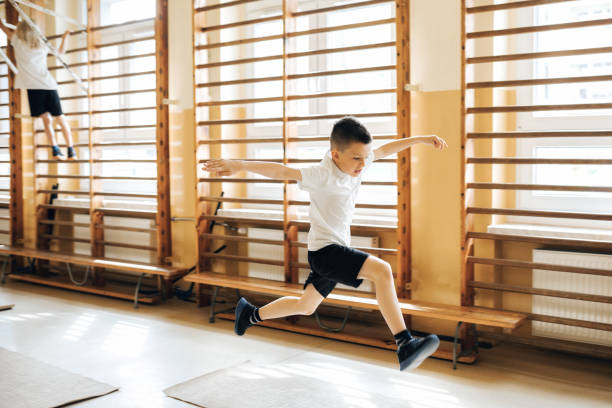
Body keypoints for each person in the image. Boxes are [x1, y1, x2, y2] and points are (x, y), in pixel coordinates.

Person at [202, 116, 448, 371]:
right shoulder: (321, 174)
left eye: (365, 157)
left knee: (305, 306)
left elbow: (386, 149)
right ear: (335, 154)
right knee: (382, 271)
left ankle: (249, 314)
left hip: (327, 251)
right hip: (326, 251)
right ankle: (404, 342)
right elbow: (279, 170)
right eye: (356, 158)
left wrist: (420, 139)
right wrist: (239, 164)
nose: (363, 164)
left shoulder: (359, 162)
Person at [0, 19, 76, 160]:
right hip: (48, 86)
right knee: (60, 118)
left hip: (34, 89)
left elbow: (3, 27)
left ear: (21, 30)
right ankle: (70, 149)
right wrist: (65, 37)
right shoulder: (41, 44)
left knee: (46, 120)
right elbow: (61, 51)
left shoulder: (17, 42)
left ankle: (56, 149)